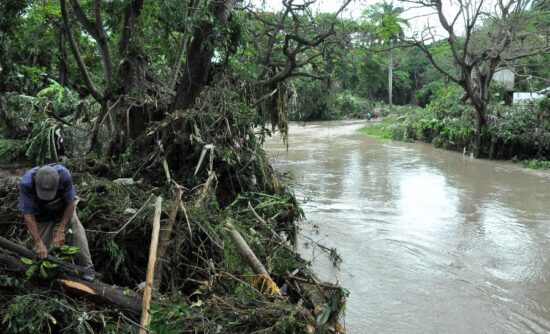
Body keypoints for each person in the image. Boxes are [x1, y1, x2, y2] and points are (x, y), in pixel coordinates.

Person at [19, 164, 95, 281]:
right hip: (41, 213)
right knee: (41, 252)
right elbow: (28, 214)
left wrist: (61, 229)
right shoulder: (27, 183)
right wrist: (39, 242)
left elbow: (71, 203)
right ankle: (45, 276)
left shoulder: (64, 176)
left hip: (63, 207)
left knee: (76, 228)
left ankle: (86, 268)